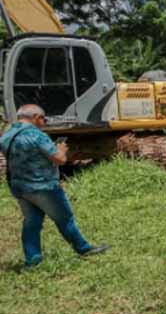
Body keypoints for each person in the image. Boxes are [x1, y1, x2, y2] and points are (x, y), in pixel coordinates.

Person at [1, 104, 108, 268]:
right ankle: (84, 249)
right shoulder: (37, 135)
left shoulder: (7, 134)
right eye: (44, 119)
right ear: (36, 117)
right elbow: (59, 159)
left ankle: (33, 261)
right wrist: (61, 149)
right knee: (65, 218)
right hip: (43, 186)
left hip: (20, 187)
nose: (44, 122)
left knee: (32, 222)